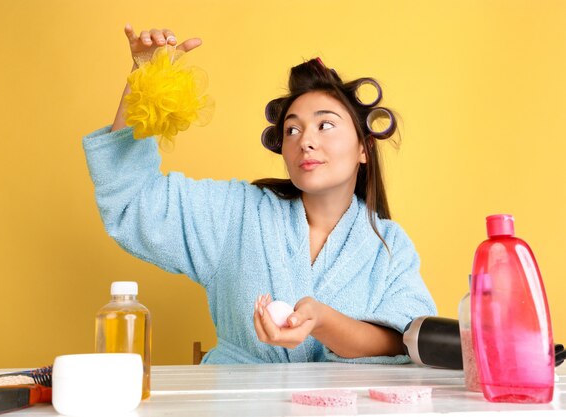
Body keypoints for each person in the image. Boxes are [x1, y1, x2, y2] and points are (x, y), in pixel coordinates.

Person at [83, 25, 437, 364]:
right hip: (238, 401)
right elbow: (135, 200)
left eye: (325, 124)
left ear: (364, 147)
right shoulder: (237, 214)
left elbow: (406, 341)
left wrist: (323, 321)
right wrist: (143, 79)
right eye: (292, 129)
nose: (305, 140)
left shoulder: (390, 246)